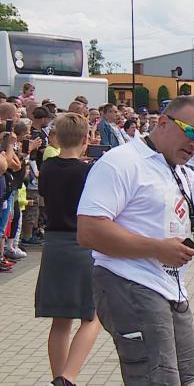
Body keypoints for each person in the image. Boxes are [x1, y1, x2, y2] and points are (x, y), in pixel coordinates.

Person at [76, 96, 194, 385]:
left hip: (170, 288)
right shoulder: (122, 162)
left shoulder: (183, 173)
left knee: (185, 376)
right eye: (191, 132)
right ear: (164, 123)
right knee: (154, 379)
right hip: (129, 283)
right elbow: (89, 230)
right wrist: (158, 248)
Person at [35, 113, 100, 386]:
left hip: (53, 245)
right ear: (86, 140)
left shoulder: (47, 167)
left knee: (60, 321)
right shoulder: (89, 171)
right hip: (81, 244)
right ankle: (68, 376)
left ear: (56, 138)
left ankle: (57, 376)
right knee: (92, 315)